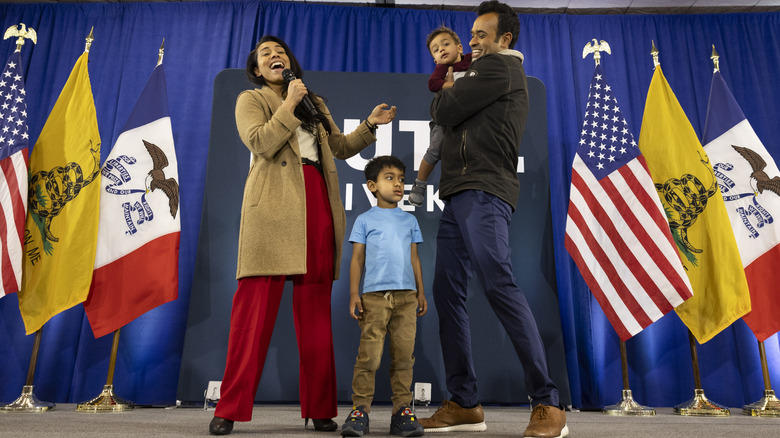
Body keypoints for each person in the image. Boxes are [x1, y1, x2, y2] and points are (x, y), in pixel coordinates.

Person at [208, 35, 397, 436]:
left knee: (314, 314)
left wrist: (368, 125)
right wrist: (290, 103)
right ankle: (229, 409)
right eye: (266, 54)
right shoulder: (252, 99)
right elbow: (260, 141)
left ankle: (320, 408)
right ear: (257, 69)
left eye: (280, 52)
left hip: (317, 204)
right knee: (252, 316)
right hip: (272, 208)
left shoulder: (315, 103)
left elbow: (340, 147)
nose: (275, 56)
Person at [417, 2, 569, 438]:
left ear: (505, 40)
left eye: (483, 34)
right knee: (447, 295)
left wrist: (447, 93)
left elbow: (442, 111)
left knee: (498, 284)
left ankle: (548, 402)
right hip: (457, 192)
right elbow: (445, 111)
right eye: (474, 34)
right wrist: (448, 94)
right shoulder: (477, 72)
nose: (474, 42)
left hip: (485, 189)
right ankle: (464, 403)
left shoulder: (500, 70)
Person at [341, 155, 427, 438]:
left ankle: (402, 410)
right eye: (389, 178)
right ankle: (360, 411)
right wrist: (355, 293)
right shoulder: (365, 220)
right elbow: (357, 260)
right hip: (374, 298)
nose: (398, 184)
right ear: (372, 186)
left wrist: (420, 291)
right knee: (370, 357)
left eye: (401, 179)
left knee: (404, 356)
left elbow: (414, 258)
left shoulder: (409, 221)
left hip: (407, 297)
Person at [408, 26, 472, 208]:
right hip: (443, 121)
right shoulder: (442, 69)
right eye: (436, 50)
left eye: (446, 44)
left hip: (467, 121)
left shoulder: (472, 62)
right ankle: (419, 184)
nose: (441, 49)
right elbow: (432, 84)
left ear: (460, 47)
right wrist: (450, 86)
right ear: (434, 59)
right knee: (435, 149)